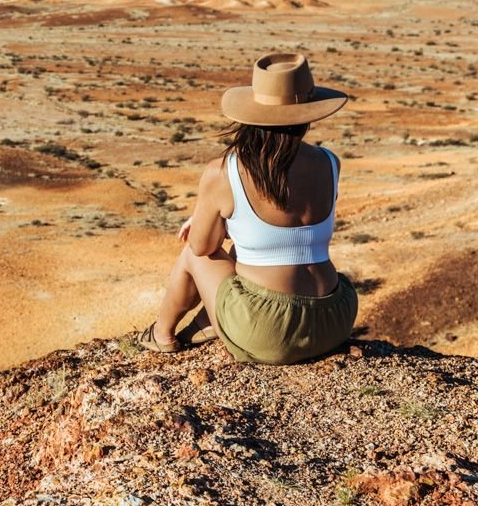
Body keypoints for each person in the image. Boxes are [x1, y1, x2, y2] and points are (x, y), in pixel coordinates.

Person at [136, 52, 358, 363]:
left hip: (271, 334)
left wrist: (210, 219)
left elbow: (202, 247)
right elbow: (287, 230)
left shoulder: (225, 172)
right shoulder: (330, 162)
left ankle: (162, 335)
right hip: (335, 318)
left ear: (252, 113)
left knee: (192, 254)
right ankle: (205, 324)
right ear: (309, 115)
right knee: (249, 251)